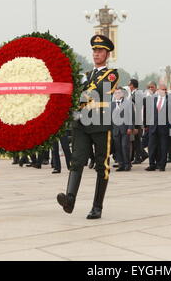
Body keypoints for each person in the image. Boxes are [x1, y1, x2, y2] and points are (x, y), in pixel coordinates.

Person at [57, 35, 119, 219]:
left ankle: (97, 206)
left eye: (100, 51)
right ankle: (69, 200)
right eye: (94, 50)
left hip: (100, 123)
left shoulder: (112, 74)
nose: (96, 54)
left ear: (107, 54)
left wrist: (76, 95)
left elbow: (96, 92)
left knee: (102, 165)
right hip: (81, 124)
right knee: (76, 161)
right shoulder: (85, 75)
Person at [144, 83, 171, 171]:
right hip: (153, 127)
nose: (164, 91)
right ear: (158, 90)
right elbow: (148, 113)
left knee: (163, 147)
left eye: (165, 90)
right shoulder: (153, 99)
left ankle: (162, 165)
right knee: (151, 146)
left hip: (165, 128)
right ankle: (152, 164)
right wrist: (146, 125)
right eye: (162, 89)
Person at [112, 87, 134, 171]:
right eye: (116, 93)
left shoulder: (128, 103)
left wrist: (130, 127)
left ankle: (127, 164)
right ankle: (121, 164)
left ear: (122, 94)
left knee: (125, 146)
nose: (117, 94)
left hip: (125, 128)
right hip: (115, 129)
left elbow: (131, 116)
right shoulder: (112, 104)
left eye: (119, 93)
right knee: (117, 148)